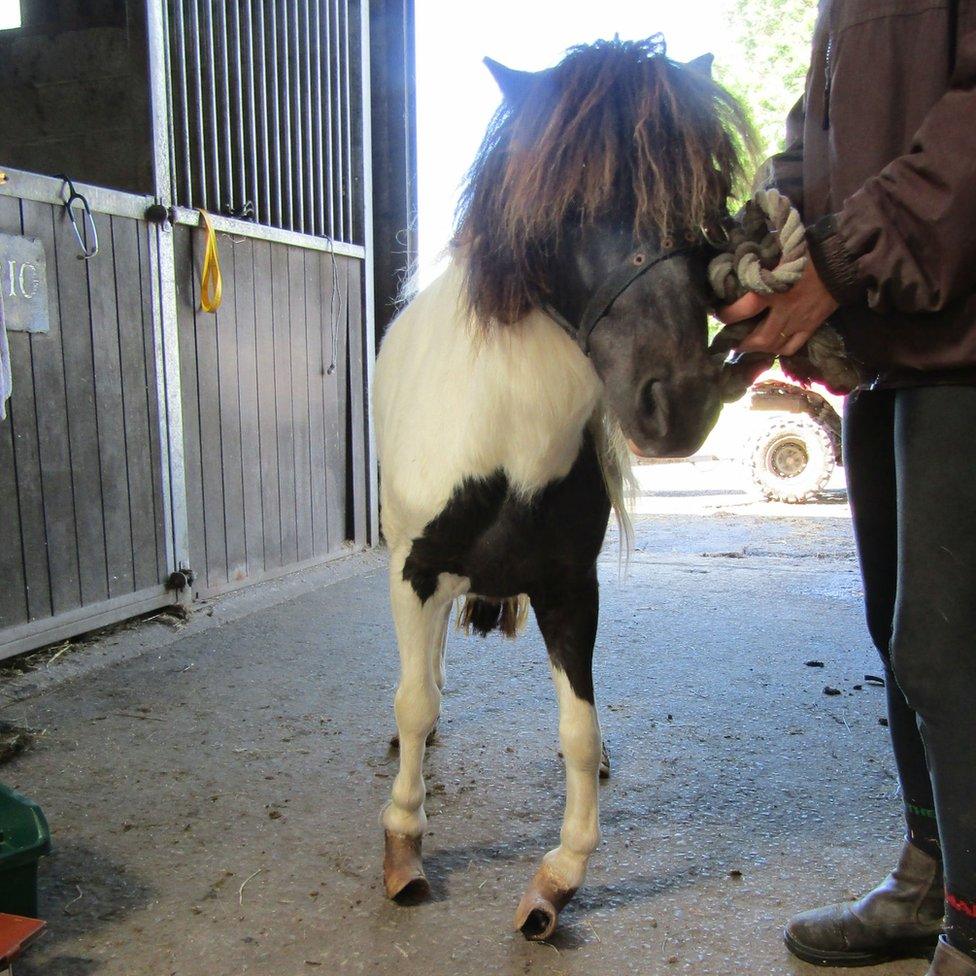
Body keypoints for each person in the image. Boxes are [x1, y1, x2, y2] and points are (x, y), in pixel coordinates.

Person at [718, 2, 976, 973]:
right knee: (896, 634)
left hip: (962, 331)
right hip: (889, 336)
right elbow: (819, 133)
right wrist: (763, 243)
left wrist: (837, 257)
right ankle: (932, 874)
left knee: (947, 647)